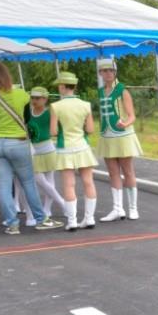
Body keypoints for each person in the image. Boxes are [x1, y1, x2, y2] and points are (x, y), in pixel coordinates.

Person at [0, 63, 62, 234]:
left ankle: (12, 224)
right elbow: (27, 118)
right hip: (18, 142)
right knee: (28, 182)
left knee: (3, 184)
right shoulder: (21, 94)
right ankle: (41, 219)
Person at [50, 71, 99, 231]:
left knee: (69, 185)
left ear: (63, 87)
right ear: (74, 86)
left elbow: (53, 132)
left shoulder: (56, 106)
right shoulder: (86, 105)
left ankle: (72, 221)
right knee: (88, 182)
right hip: (82, 146)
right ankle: (89, 219)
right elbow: (90, 129)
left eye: (59, 86)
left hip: (65, 149)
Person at [96, 61, 144, 222]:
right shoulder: (101, 91)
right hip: (107, 135)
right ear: (100, 73)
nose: (108, 73)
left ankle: (133, 208)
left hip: (122, 135)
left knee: (128, 171)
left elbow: (132, 116)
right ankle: (117, 209)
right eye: (104, 71)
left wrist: (125, 123)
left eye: (111, 70)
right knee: (113, 173)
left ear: (115, 72)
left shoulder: (123, 91)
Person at [25, 86, 66, 221]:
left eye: (37, 98)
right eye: (32, 97)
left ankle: (47, 209)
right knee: (39, 179)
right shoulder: (28, 112)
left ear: (45, 99)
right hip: (34, 150)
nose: (34, 100)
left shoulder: (49, 113)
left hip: (48, 149)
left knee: (49, 180)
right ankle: (62, 202)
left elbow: (59, 129)